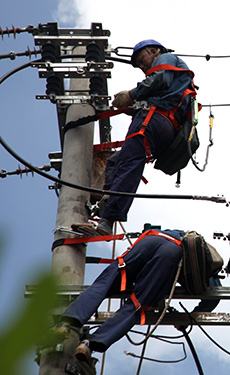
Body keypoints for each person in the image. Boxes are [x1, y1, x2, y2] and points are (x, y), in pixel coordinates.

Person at [76, 39, 197, 235]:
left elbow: (159, 80)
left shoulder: (165, 58)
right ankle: (106, 205)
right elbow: (164, 94)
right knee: (116, 162)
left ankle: (107, 222)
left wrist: (132, 95)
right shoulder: (178, 77)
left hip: (152, 122)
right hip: (163, 126)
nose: (142, 67)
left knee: (128, 165)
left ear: (153, 50)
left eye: (142, 60)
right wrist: (131, 107)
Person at [52, 229, 221, 363]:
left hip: (151, 240)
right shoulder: (205, 265)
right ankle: (89, 343)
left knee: (105, 283)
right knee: (137, 304)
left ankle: (66, 323)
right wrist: (186, 319)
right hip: (170, 254)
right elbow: (213, 297)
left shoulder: (180, 233)